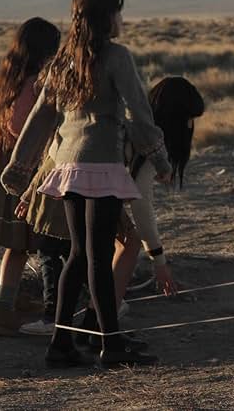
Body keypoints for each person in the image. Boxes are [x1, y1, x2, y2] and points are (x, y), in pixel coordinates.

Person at [2, 0, 171, 368]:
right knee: (96, 257)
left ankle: (61, 344)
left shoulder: (62, 60)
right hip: (102, 165)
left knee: (79, 255)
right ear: (105, 17)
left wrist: (19, 168)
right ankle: (110, 344)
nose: (121, 19)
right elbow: (139, 113)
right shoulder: (116, 57)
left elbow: (42, 117)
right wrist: (159, 160)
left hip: (67, 167)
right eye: (118, 11)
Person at [16, 76, 202, 338]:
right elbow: (142, 204)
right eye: (188, 119)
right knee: (114, 246)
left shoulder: (129, 120)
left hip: (64, 176)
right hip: (77, 182)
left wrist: (31, 190)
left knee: (94, 250)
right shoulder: (149, 138)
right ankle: (94, 326)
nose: (190, 127)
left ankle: (92, 326)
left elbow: (54, 147)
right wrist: (159, 262)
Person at [0, 17, 60, 336]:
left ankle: (3, 310)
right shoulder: (33, 84)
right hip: (17, 172)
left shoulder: (2, 81)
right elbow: (21, 130)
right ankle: (5, 312)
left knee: (18, 246)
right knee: (27, 243)